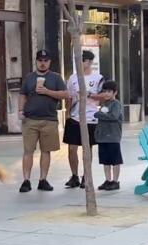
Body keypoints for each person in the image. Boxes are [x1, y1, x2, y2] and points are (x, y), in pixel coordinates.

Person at [18, 49, 69, 193]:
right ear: (36, 61)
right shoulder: (29, 77)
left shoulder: (56, 78)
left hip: (49, 119)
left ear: (49, 62)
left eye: (45, 61)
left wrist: (47, 92)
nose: (42, 63)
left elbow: (65, 94)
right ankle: (26, 180)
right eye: (40, 60)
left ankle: (43, 179)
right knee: (28, 150)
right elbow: (22, 95)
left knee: (46, 151)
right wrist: (20, 110)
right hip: (30, 119)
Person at [63, 50, 105, 189]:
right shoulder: (73, 78)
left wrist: (89, 94)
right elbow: (69, 96)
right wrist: (68, 114)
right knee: (71, 148)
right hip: (75, 116)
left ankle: (86, 175)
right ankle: (74, 175)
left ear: (89, 62)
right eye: (78, 60)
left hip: (91, 117)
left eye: (83, 60)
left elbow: (104, 96)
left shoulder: (98, 78)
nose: (80, 63)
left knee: (87, 148)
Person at [94, 80, 123, 191]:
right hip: (102, 138)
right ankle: (108, 180)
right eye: (104, 91)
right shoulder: (104, 104)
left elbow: (113, 116)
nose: (106, 93)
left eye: (109, 91)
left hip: (113, 137)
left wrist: (99, 114)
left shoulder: (116, 104)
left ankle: (115, 181)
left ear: (115, 92)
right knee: (105, 161)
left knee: (115, 160)